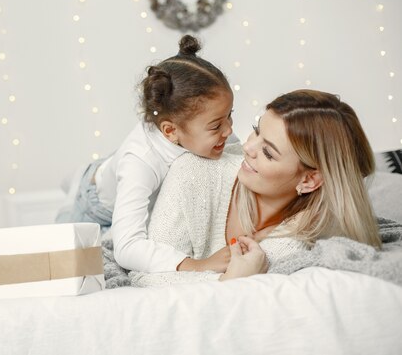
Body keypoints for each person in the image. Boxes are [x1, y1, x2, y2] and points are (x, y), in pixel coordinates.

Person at [130, 89, 382, 286]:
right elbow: (143, 278)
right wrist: (227, 280)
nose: (247, 148)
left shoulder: (304, 240)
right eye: (255, 131)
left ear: (309, 181)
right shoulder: (194, 169)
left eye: (268, 153)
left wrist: (231, 282)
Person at [56, 35, 235, 273]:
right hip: (94, 204)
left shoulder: (209, 132)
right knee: (61, 253)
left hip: (123, 166)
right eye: (216, 126)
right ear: (170, 131)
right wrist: (196, 265)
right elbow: (127, 247)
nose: (229, 130)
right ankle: (76, 181)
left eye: (230, 115)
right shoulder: (140, 163)